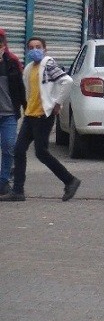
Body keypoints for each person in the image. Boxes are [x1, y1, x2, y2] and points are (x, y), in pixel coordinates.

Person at [0, 37, 81, 202]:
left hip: (43, 115)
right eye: (31, 47)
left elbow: (67, 81)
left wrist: (57, 103)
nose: (34, 50)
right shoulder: (29, 68)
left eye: (38, 47)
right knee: (19, 150)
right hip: (31, 115)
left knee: (41, 152)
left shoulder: (48, 64)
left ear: (45, 49)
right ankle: (17, 191)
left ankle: (70, 180)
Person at [0, 28, 25, 196]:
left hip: (8, 114)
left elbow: (20, 88)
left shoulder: (12, 61)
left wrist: (26, 107)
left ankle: (3, 181)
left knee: (9, 146)